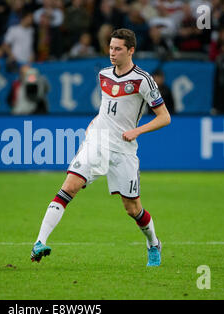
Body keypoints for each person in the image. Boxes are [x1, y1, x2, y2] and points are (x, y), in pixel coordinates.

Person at [31, 28, 171, 267]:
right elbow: (107, 108)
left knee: (132, 208)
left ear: (131, 51)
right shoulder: (104, 74)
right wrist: (94, 124)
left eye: (118, 49)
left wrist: (137, 131)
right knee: (70, 185)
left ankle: (153, 243)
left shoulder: (143, 80)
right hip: (97, 141)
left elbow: (164, 117)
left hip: (124, 149)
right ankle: (39, 242)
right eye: (110, 48)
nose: (112, 53)